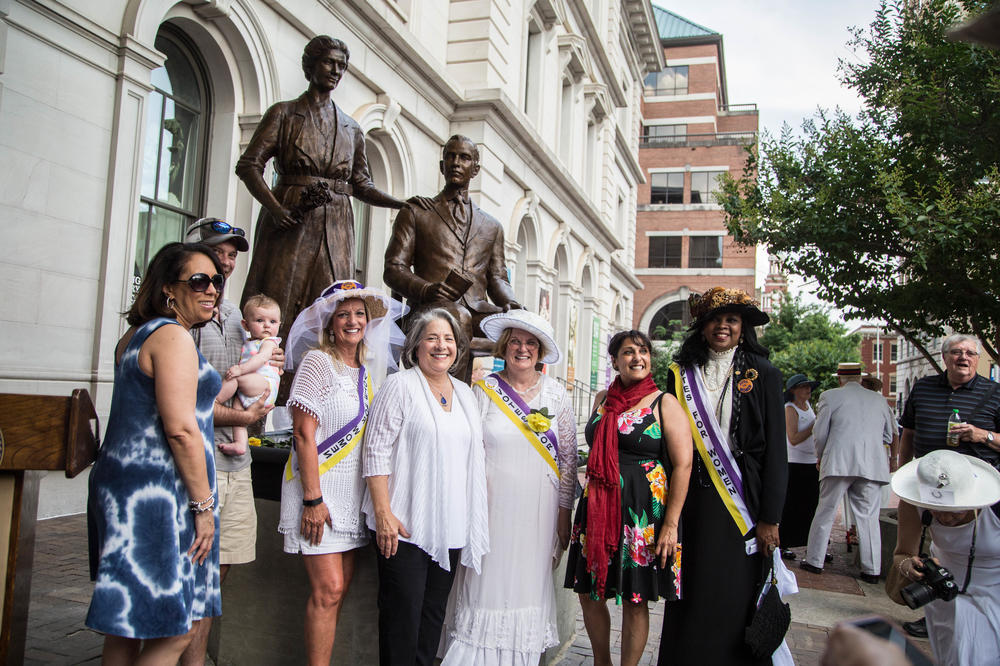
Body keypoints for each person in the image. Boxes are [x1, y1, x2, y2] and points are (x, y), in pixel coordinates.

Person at [236, 35, 427, 398]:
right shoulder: (284, 113)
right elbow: (249, 166)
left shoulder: (352, 128)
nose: (336, 71)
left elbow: (362, 185)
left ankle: (323, 395)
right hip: (291, 220)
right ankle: (267, 397)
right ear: (311, 66)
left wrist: (401, 203)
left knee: (333, 310)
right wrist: (276, 210)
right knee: (280, 306)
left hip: (337, 227)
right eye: (329, 63)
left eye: (342, 66)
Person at [86, 242, 222, 663]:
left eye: (217, 280)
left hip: (121, 489)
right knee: (175, 630)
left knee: (126, 623)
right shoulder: (172, 337)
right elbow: (181, 429)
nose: (212, 289)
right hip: (156, 498)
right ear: (168, 289)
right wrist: (203, 506)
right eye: (199, 280)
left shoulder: (135, 334)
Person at [279, 280, 407, 665]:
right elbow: (303, 434)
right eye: (343, 314)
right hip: (319, 492)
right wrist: (312, 500)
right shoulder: (317, 362)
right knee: (327, 590)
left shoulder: (365, 372)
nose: (352, 321)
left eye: (359, 314)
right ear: (330, 322)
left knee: (338, 592)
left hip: (351, 497)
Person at [657, 287, 787, 666]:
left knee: (732, 593)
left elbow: (777, 452)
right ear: (702, 326)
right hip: (690, 501)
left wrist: (770, 517)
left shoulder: (763, 373)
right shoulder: (680, 375)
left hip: (742, 503)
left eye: (732, 319)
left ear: (742, 326)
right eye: (715, 318)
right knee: (690, 591)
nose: (723, 326)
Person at [440, 309, 577, 665]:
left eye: (531, 343)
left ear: (541, 351)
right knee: (484, 585)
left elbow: (567, 462)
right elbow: (467, 452)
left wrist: (565, 516)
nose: (522, 348)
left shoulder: (558, 396)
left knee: (527, 586)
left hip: (539, 512)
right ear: (504, 346)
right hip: (490, 509)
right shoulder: (482, 391)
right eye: (515, 341)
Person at [362, 309, 489, 666]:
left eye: (448, 339)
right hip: (403, 526)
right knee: (401, 619)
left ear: (458, 348)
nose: (441, 345)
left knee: (433, 617)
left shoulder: (465, 394)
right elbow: (375, 453)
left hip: (449, 527)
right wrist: (384, 513)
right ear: (416, 346)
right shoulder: (398, 386)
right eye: (432, 338)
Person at [181, 217, 281, 666]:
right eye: (218, 249)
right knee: (187, 577)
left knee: (214, 579)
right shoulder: (183, 322)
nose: (227, 258)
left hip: (234, 465)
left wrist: (269, 356)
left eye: (233, 251)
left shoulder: (236, 322)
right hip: (198, 464)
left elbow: (258, 361)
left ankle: (195, 661)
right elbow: (188, 405)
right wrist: (245, 416)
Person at [564, 330, 693, 666]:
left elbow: (683, 465)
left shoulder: (665, 403)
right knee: (589, 592)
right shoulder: (603, 398)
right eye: (628, 352)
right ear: (615, 361)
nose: (638, 357)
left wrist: (671, 525)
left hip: (642, 516)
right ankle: (601, 662)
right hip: (596, 509)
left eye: (644, 351)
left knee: (636, 598)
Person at [384, 135, 521, 379]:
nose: (456, 162)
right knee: (458, 317)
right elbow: (394, 268)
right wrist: (427, 290)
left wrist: (512, 304)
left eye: (464, 158)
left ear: (475, 169)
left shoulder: (492, 226)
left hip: (477, 307)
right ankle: (452, 399)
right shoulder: (416, 211)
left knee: (522, 327)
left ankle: (509, 398)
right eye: (451, 156)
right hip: (428, 308)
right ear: (442, 166)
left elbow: (498, 278)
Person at [895, 333, 1000, 638]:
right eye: (956, 352)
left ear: (978, 359)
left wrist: (984, 436)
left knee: (973, 549)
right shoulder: (924, 387)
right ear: (945, 357)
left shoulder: (994, 392)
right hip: (929, 484)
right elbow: (909, 432)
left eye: (970, 353)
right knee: (935, 549)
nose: (963, 357)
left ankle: (978, 611)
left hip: (975, 493)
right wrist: (904, 471)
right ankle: (939, 609)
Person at [891, 449, 1000, 665]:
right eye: (937, 510)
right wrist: (910, 567)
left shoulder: (995, 508)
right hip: (947, 593)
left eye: (956, 511)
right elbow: (902, 554)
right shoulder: (913, 505)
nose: (945, 518)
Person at [800, 362, 897, 583]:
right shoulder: (880, 400)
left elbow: (820, 432)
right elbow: (888, 436)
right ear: (860, 378)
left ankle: (815, 561)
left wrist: (821, 454)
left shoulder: (830, 396)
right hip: (871, 464)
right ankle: (871, 570)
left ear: (839, 379)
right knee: (868, 517)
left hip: (838, 461)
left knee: (825, 510)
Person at [214, 294, 282, 456]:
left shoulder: (269, 342)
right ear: (245, 324)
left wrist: (241, 369)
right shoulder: (249, 341)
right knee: (238, 409)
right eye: (260, 321)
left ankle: (216, 400)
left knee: (236, 378)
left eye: (272, 322)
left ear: (279, 324)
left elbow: (261, 358)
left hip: (264, 384)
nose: (266, 326)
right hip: (254, 385)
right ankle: (240, 443)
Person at [779, 373, 820, 560]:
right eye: (803, 387)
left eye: (809, 386)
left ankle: (808, 542)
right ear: (794, 390)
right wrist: (814, 426)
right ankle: (784, 542)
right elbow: (793, 438)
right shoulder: (790, 408)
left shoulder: (808, 406)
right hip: (795, 463)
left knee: (809, 505)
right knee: (791, 505)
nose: (808, 390)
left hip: (811, 463)